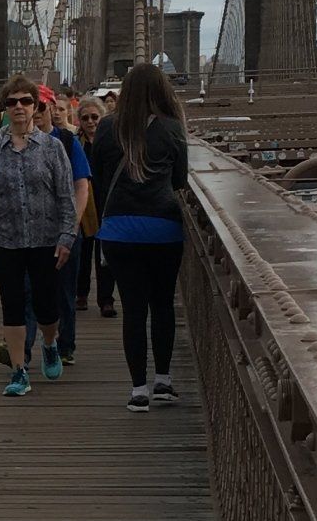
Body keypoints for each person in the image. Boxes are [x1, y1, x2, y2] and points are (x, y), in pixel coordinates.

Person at [88, 60, 190, 413]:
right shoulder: (173, 128)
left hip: (119, 231)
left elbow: (99, 181)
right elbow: (179, 180)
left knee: (133, 309)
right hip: (163, 228)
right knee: (162, 305)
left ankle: (138, 390)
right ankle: (164, 381)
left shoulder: (105, 128)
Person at [0, 75, 76, 399]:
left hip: (45, 238)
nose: (18, 107)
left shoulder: (53, 148)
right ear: (4, 109)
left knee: (47, 307)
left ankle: (50, 344)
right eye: (11, 102)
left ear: (36, 107)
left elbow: (65, 195)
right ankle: (18, 371)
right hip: (5, 239)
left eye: (25, 101)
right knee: (13, 306)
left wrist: (67, 236)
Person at [21, 86, 92, 368]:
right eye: (28, 105)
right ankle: (23, 353)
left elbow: (81, 185)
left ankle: (64, 346)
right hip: (26, 234)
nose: (34, 112)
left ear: (51, 108)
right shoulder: (12, 142)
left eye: (39, 106)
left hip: (63, 230)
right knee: (26, 293)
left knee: (64, 293)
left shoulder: (66, 140)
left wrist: (71, 226)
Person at [74, 95, 114, 317]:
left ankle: (106, 299)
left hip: (105, 201)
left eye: (95, 117)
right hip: (82, 204)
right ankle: (81, 294)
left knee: (104, 252)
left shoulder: (111, 142)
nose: (90, 122)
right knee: (82, 250)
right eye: (85, 118)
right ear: (79, 120)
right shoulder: (73, 143)